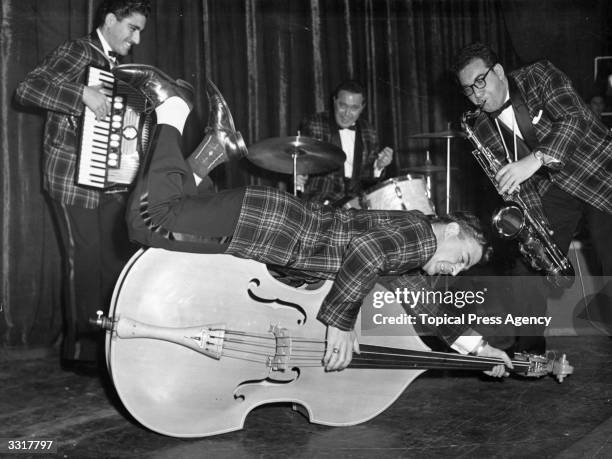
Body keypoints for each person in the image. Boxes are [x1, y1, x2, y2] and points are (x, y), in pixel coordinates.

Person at [111, 64, 513, 377]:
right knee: (149, 220)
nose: (455, 271)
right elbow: (367, 250)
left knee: (179, 206)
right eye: (463, 257)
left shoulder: (411, 250)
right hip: (268, 223)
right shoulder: (421, 236)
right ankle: (173, 108)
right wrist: (340, 323)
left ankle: (216, 148)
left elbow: (425, 309)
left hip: (271, 224)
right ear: (453, 230)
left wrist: (480, 348)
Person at [14, 0, 151, 373]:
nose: (136, 39)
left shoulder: (121, 68)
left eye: (139, 31)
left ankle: (105, 346)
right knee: (85, 262)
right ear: (110, 21)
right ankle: (81, 353)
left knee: (111, 261)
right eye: (132, 28)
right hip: (71, 179)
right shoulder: (79, 51)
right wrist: (82, 95)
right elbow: (28, 88)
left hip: (107, 182)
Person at [450, 42, 612, 347]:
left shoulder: (538, 75)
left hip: (597, 173)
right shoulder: (480, 127)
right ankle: (529, 352)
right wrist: (537, 237)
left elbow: (574, 118)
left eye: (479, 83)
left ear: (498, 72)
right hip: (553, 190)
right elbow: (522, 186)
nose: (476, 96)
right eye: (468, 90)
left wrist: (534, 159)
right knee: (526, 267)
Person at [296, 80, 394, 205]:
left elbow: (369, 177)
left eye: (354, 108)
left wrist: (379, 165)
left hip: (356, 203)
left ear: (362, 108)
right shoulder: (314, 124)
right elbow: (299, 162)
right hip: (320, 201)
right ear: (334, 101)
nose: (347, 114)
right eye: (343, 106)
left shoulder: (369, 130)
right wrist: (299, 175)